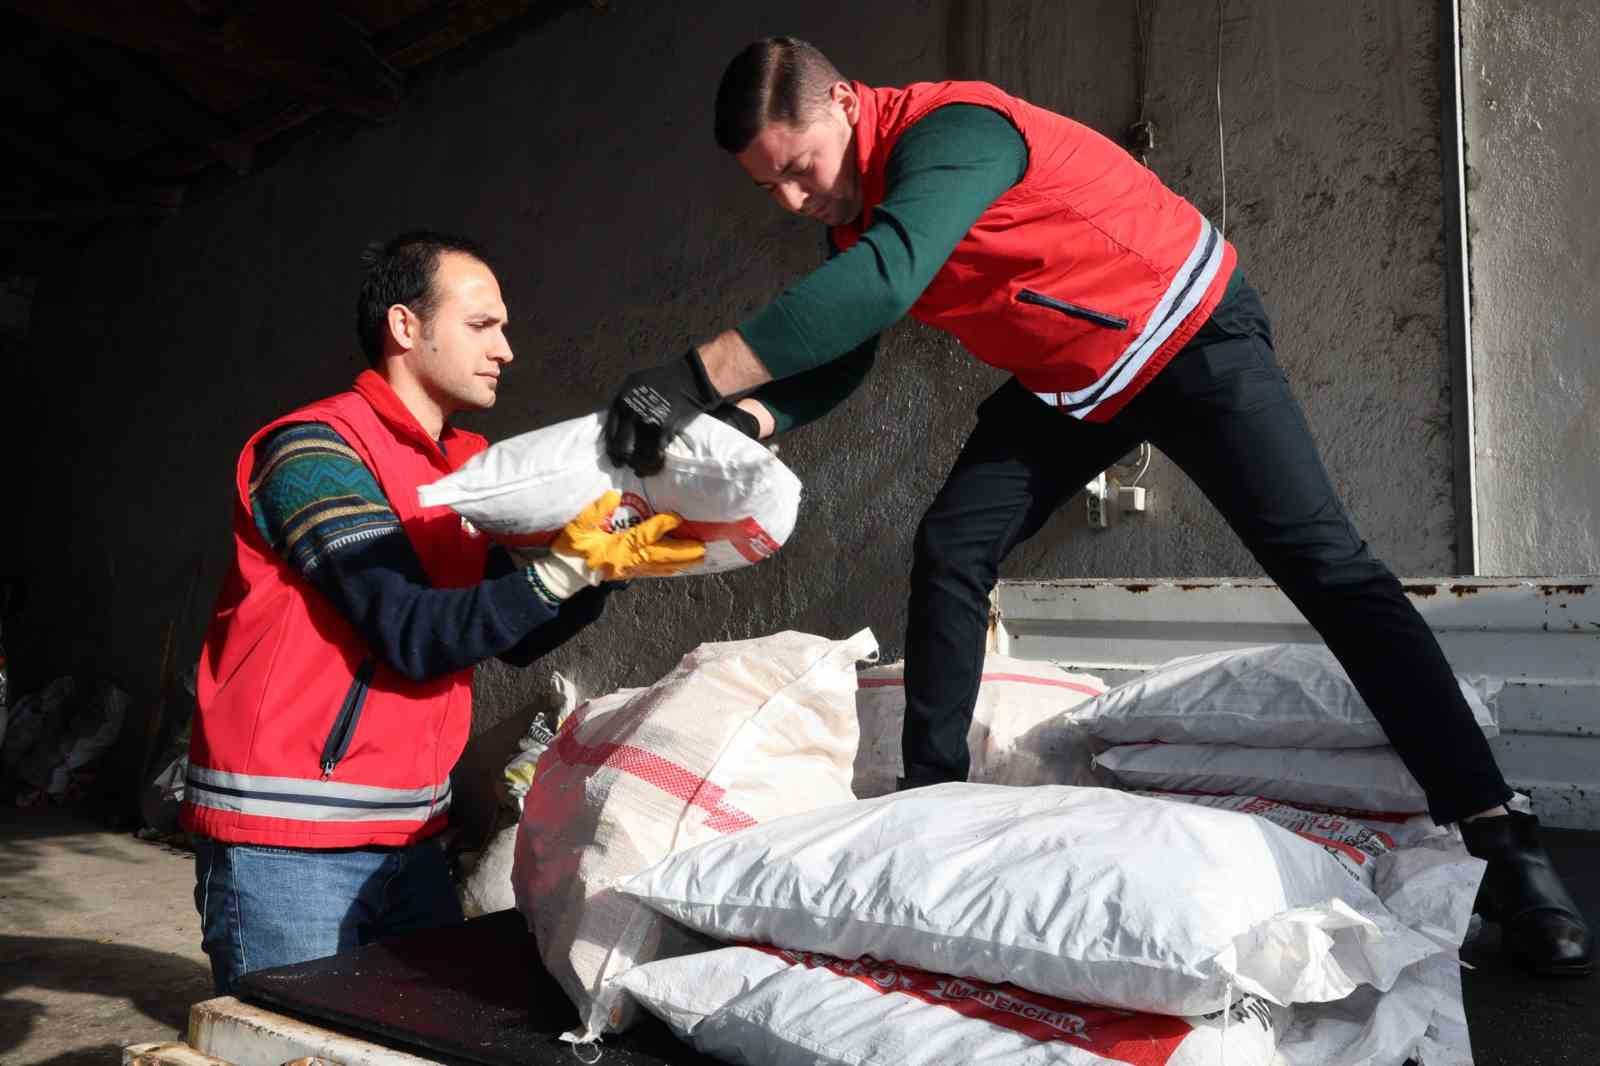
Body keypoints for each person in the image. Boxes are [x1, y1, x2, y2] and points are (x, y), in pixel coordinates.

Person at [601, 38, 1592, 976]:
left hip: (1191, 337)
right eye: (769, 185)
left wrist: (690, 376)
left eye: (798, 166)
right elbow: (847, 345)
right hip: (1075, 384)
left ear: (847, 104)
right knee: (951, 544)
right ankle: (930, 807)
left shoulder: (955, 132)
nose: (791, 196)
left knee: (1324, 564)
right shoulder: (857, 219)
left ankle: (1500, 838)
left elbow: (882, 283)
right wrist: (759, 417)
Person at [184, 231, 702, 994]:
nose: (507, 350)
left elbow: (509, 633)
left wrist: (603, 570)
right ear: (405, 326)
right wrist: (565, 569)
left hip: (413, 839)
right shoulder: (314, 451)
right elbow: (412, 632)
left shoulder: (464, 471)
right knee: (290, 1044)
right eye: (481, 324)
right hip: (290, 843)